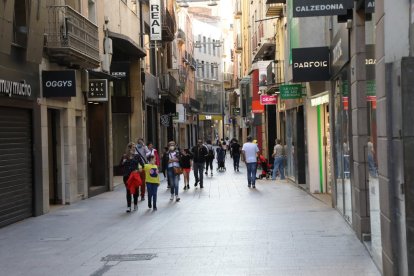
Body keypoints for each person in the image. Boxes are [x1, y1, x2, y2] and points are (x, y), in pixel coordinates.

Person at [120, 142, 144, 212]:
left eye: (135, 147)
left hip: (135, 176)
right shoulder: (124, 156)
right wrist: (123, 163)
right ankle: (128, 206)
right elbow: (120, 166)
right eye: (133, 147)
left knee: (136, 191)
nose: (134, 149)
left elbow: (142, 165)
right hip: (127, 176)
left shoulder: (137, 156)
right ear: (129, 148)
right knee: (128, 191)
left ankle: (135, 204)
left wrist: (139, 170)